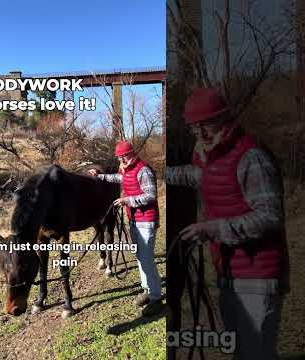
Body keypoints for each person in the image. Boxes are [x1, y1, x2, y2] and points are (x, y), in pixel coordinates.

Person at [166, 87, 289, 360]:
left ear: (225, 119)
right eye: (194, 128)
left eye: (206, 125)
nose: (201, 134)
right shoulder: (215, 160)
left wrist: (212, 229)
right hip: (229, 275)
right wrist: (157, 173)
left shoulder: (251, 158)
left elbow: (270, 217)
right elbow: (195, 176)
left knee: (256, 354)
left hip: (258, 276)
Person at [89, 140, 163, 317]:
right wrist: (99, 176)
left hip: (146, 220)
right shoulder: (126, 170)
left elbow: (151, 196)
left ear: (133, 153)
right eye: (119, 157)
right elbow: (117, 178)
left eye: (124, 155)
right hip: (134, 220)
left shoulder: (143, 170)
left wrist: (127, 200)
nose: (121, 159)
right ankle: (147, 290)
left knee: (146, 259)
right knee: (140, 258)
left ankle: (156, 297)